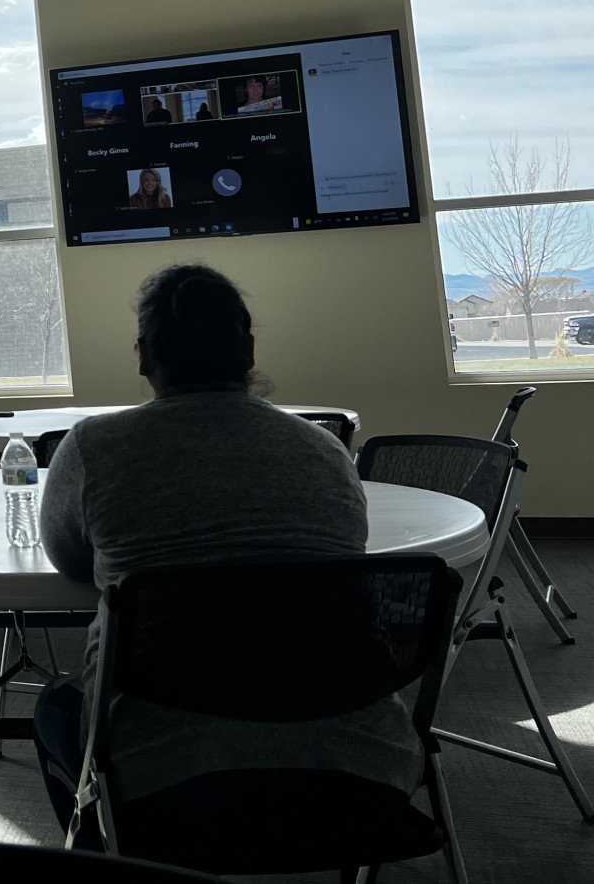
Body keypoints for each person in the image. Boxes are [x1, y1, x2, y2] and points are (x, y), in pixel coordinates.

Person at [31, 265, 421, 838]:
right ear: (248, 351)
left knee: (53, 706)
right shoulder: (325, 452)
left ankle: (111, 852)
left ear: (144, 356)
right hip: (360, 765)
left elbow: (70, 560)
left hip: (159, 774)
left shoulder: (94, 447)